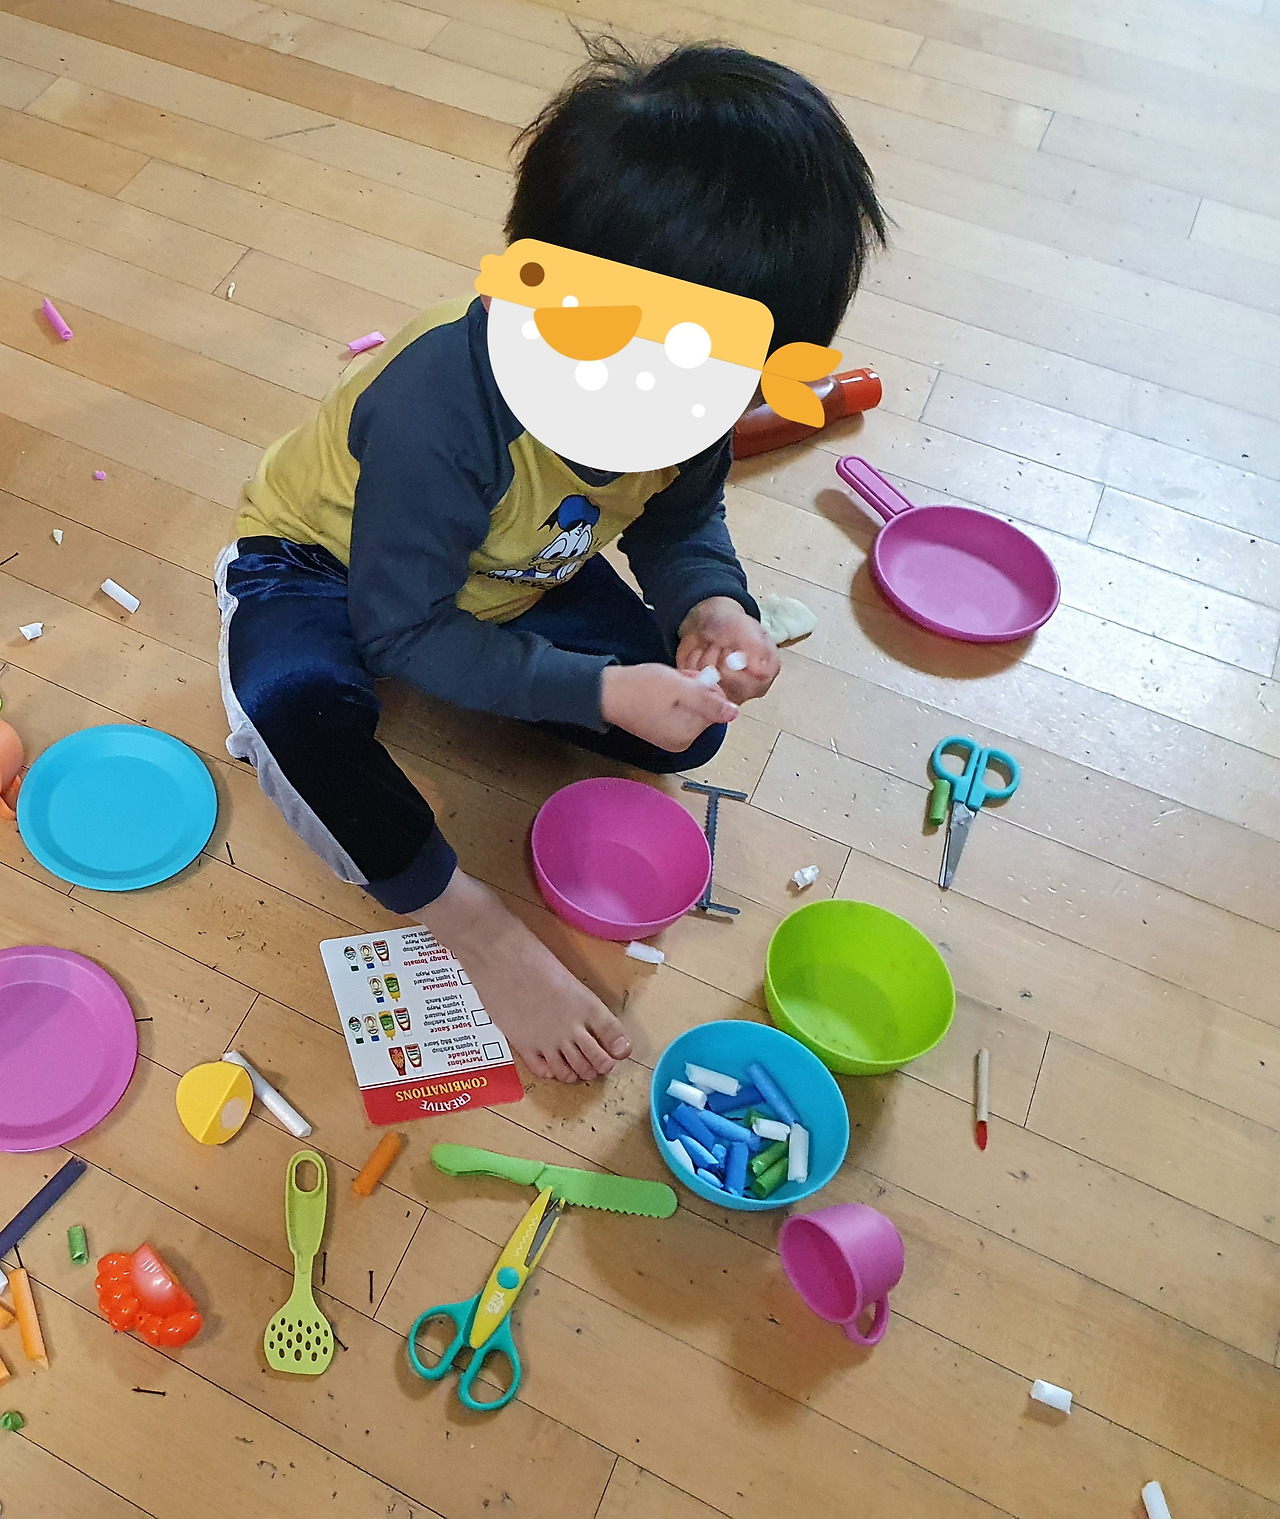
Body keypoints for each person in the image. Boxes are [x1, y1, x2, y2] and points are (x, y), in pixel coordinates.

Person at [214, 37, 887, 1084]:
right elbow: (401, 628)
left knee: (687, 731)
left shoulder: (693, 387)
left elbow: (679, 515)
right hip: (327, 569)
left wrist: (709, 602)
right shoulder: (439, 410)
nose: (682, 422)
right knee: (290, 709)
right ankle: (470, 924)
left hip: (517, 570)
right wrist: (597, 688)